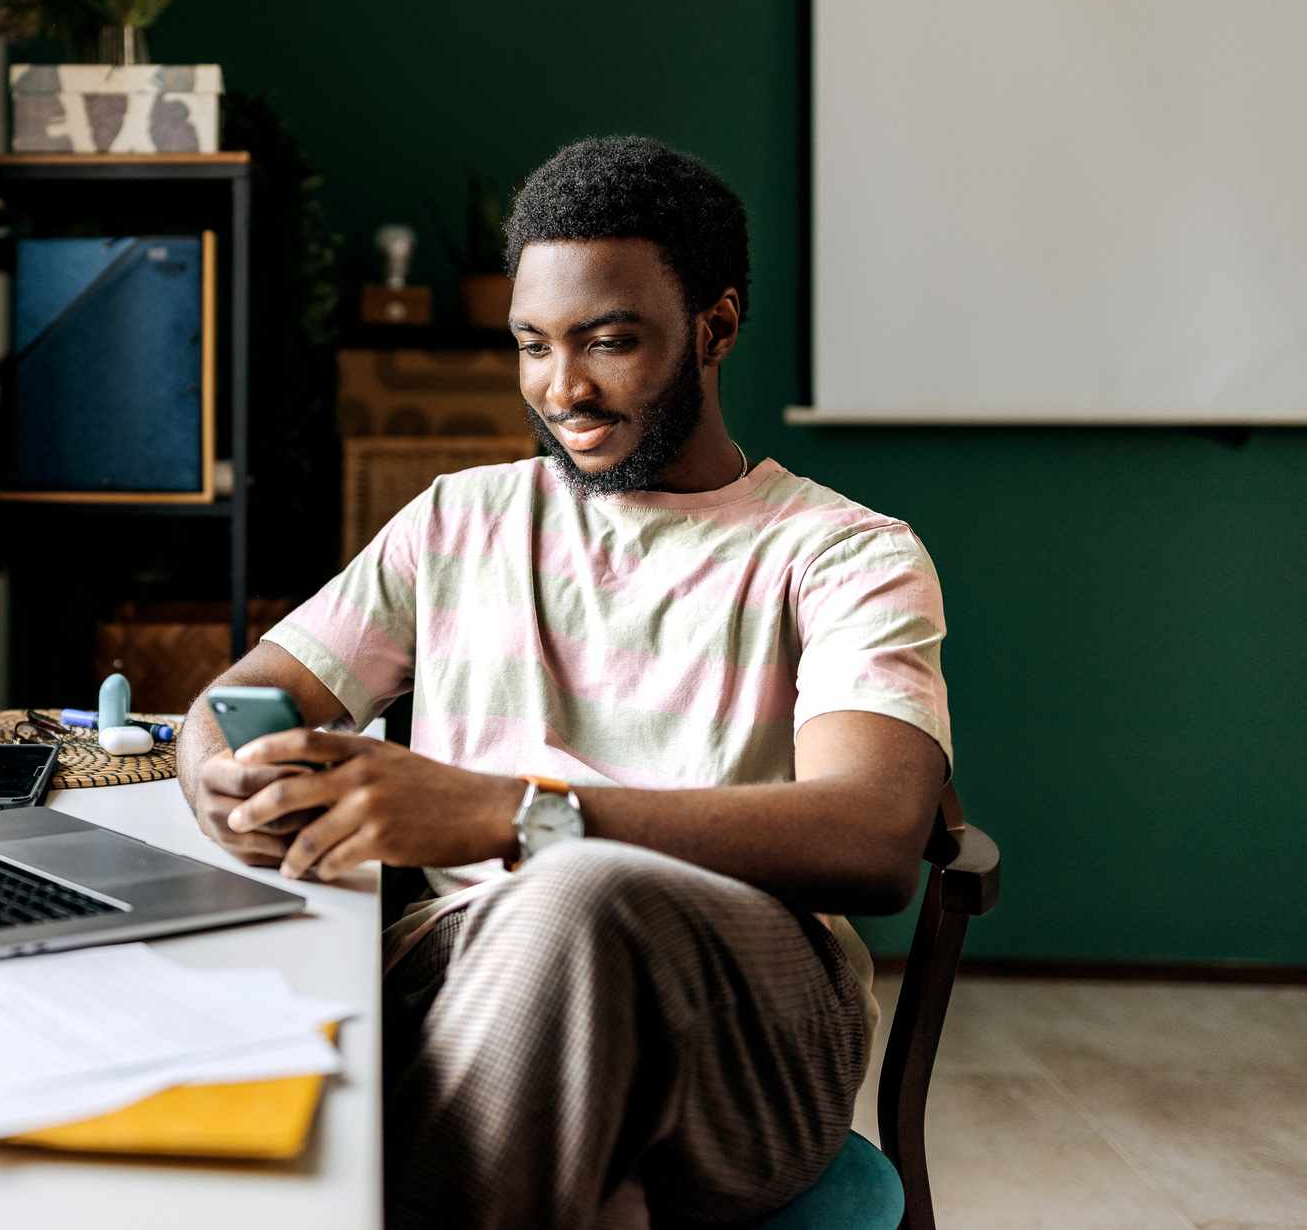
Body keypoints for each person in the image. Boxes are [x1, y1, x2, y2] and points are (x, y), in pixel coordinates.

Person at [172, 136, 953, 1229]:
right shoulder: (458, 519)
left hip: (747, 1026)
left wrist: (512, 817)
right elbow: (238, 695)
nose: (562, 387)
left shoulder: (842, 554)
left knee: (572, 898)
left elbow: (873, 837)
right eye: (532, 346)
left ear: (714, 328)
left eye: (609, 341)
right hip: (466, 984)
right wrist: (211, 768)